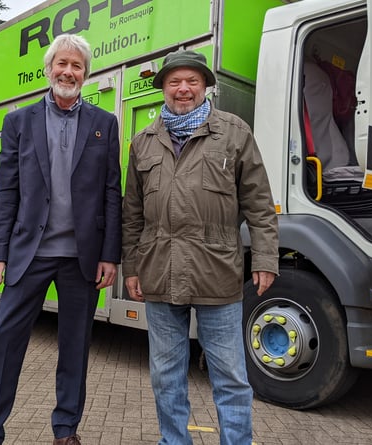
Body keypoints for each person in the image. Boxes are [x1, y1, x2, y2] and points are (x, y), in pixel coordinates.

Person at [121, 50, 279, 445]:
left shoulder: (234, 132)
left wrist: (264, 257)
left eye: (192, 80)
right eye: (174, 82)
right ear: (163, 88)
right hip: (159, 270)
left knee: (230, 376)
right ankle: (174, 441)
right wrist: (132, 267)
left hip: (217, 271)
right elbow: (132, 214)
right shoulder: (142, 143)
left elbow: (259, 203)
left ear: (206, 85)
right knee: (165, 374)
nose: (183, 89)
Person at [0, 34, 122, 445]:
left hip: (82, 258)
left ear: (86, 74)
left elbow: (113, 191)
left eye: (77, 66)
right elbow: (6, 191)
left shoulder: (104, 124)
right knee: (4, 346)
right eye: (62, 64)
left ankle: (65, 431)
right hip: (28, 253)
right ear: (49, 69)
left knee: (75, 348)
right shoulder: (18, 122)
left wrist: (110, 254)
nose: (68, 72)